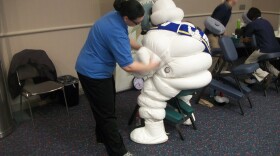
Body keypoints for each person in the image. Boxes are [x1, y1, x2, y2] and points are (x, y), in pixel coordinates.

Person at [75, 0, 159, 155]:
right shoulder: (114, 29)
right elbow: (128, 66)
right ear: (126, 18)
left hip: (94, 69)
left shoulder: (116, 16)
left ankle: (102, 137)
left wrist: (144, 48)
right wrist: (152, 65)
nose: (138, 25)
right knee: (107, 114)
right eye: (137, 23)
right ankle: (119, 152)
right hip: (93, 73)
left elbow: (126, 39)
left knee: (104, 106)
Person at [243, 7, 280, 87]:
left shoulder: (253, 23)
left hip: (265, 49)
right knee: (266, 62)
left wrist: (243, 39)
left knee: (247, 63)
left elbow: (246, 39)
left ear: (251, 17)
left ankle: (265, 75)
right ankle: (278, 74)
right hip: (277, 49)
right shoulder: (267, 22)